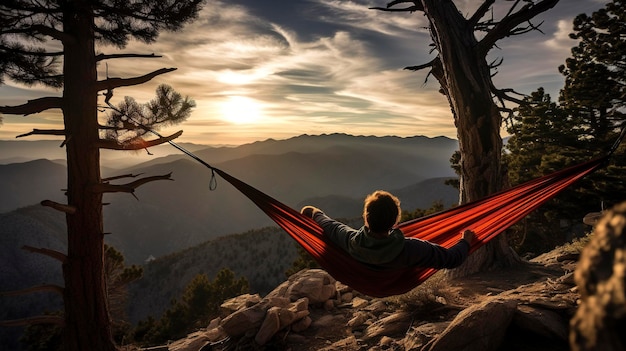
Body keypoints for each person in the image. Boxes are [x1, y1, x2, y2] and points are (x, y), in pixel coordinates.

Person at [301, 190, 475, 269]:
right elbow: (452, 259)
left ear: (366, 218)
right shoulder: (413, 249)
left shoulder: (350, 241)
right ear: (396, 221)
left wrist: (311, 212)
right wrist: (465, 242)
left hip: (365, 285)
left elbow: (328, 223)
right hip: (398, 285)